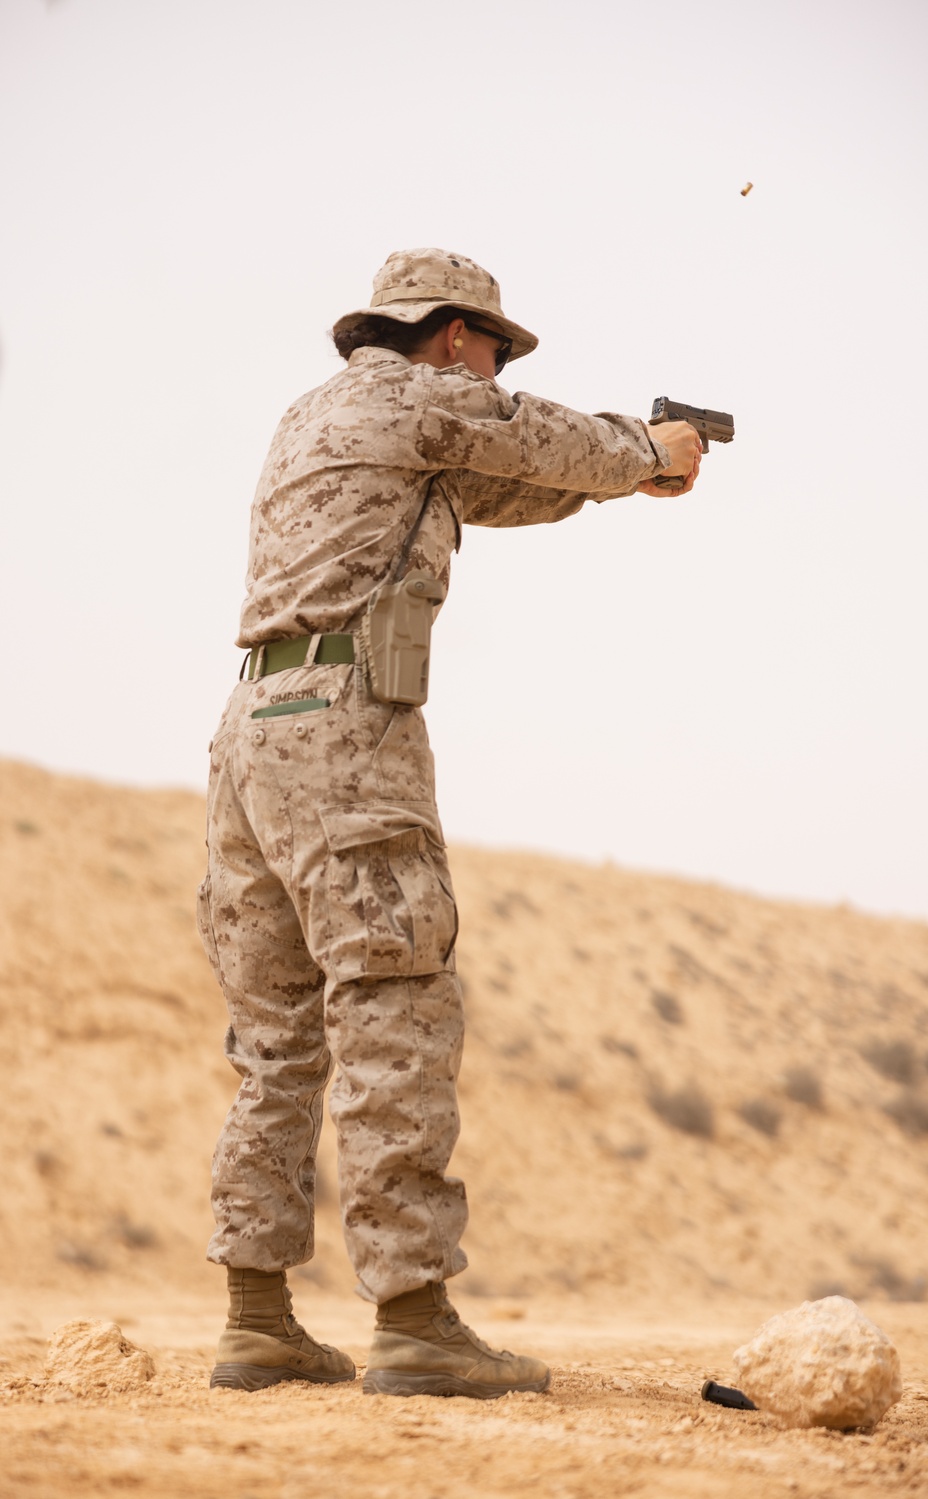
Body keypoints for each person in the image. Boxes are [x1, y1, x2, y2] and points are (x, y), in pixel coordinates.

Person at [197, 248, 702, 1399]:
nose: (490, 367)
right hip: (344, 730)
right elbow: (527, 437)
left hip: (251, 733)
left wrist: (628, 480)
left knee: (276, 1044)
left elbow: (505, 486)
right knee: (393, 1006)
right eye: (490, 348)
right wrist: (641, 450)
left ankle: (258, 1315)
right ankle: (416, 1318)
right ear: (453, 335)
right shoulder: (416, 395)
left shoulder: (322, 415)